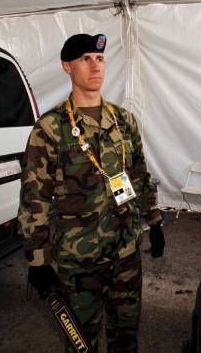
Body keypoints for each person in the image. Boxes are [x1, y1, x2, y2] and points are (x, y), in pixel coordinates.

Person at [17, 33, 165, 352]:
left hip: (126, 252)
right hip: (80, 259)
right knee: (81, 341)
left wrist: (154, 221)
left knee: (126, 336)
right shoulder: (49, 128)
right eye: (85, 59)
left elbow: (138, 175)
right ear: (66, 66)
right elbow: (35, 197)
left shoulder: (123, 120)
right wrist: (38, 260)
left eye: (99, 59)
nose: (95, 66)